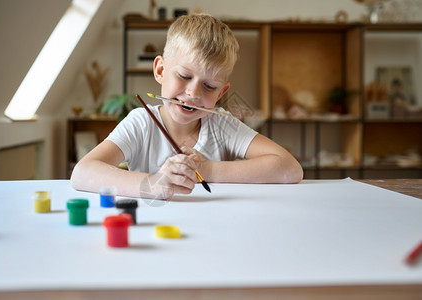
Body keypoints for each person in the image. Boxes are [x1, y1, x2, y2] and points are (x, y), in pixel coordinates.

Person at [70, 14, 303, 200]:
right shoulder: (141, 122)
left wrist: (208, 169)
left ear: (222, 93)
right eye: (183, 76)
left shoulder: (221, 123)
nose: (193, 93)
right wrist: (152, 184)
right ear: (160, 71)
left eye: (209, 86)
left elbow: (291, 169)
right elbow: (82, 173)